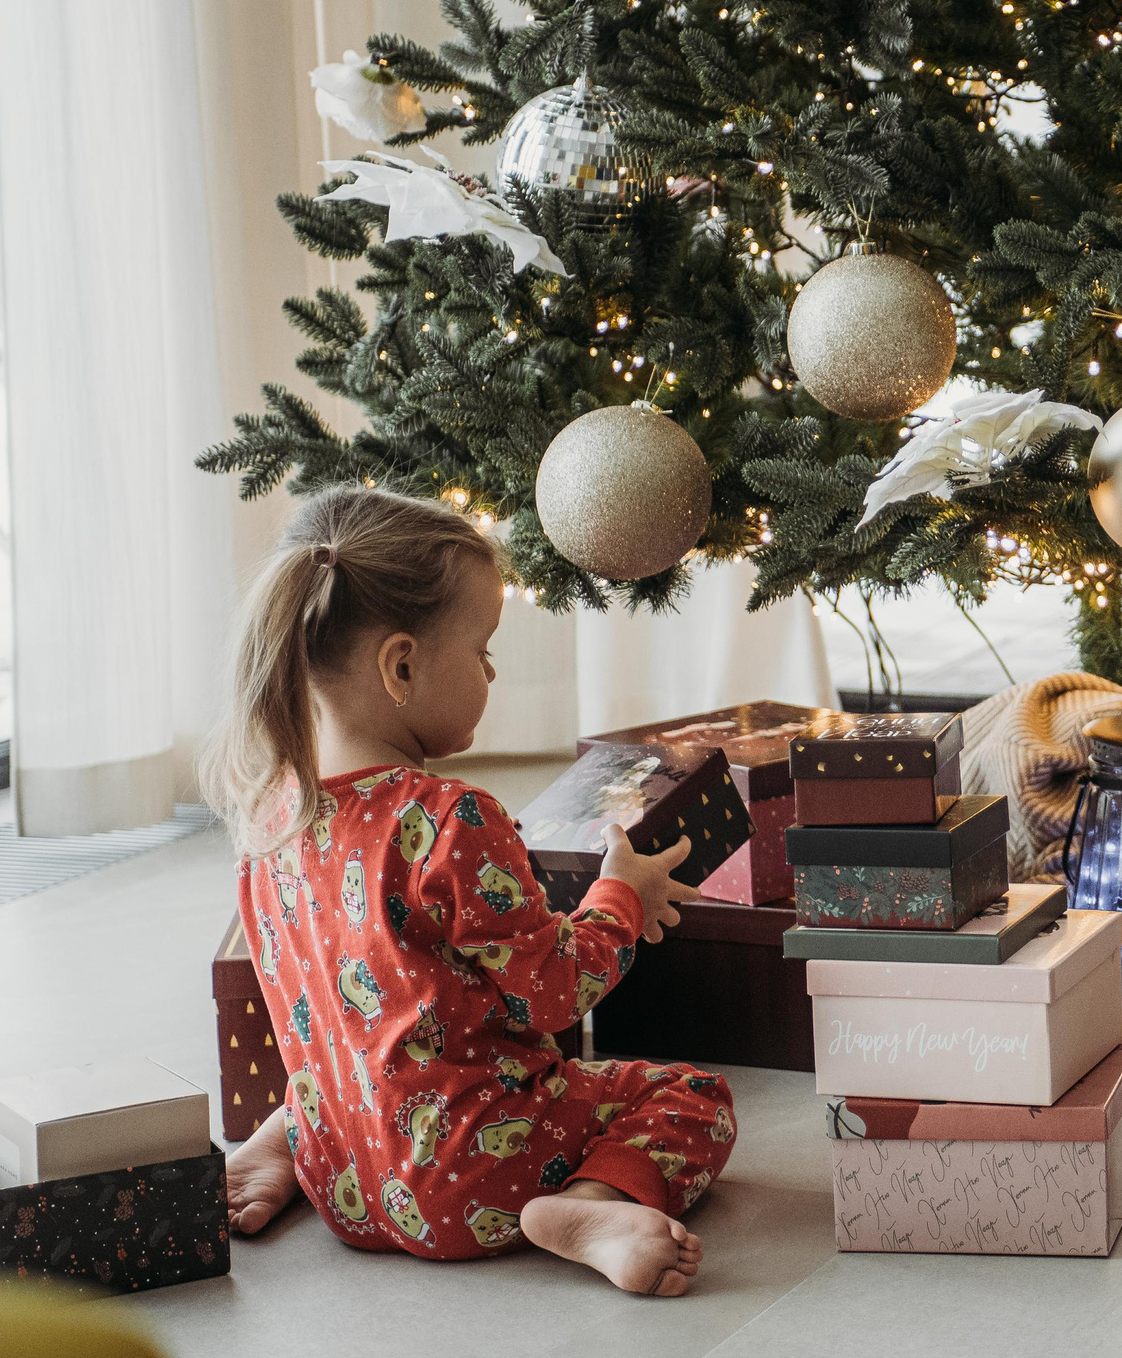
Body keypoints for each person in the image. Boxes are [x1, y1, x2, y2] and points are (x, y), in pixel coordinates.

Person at [199, 487, 733, 1295]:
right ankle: (590, 1208)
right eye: (482, 649)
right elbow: (554, 993)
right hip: (475, 1183)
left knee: (350, 1038)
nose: (490, 670)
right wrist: (619, 898)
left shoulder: (271, 813)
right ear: (401, 665)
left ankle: (285, 1140)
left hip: (347, 1186)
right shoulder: (451, 817)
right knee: (691, 1096)